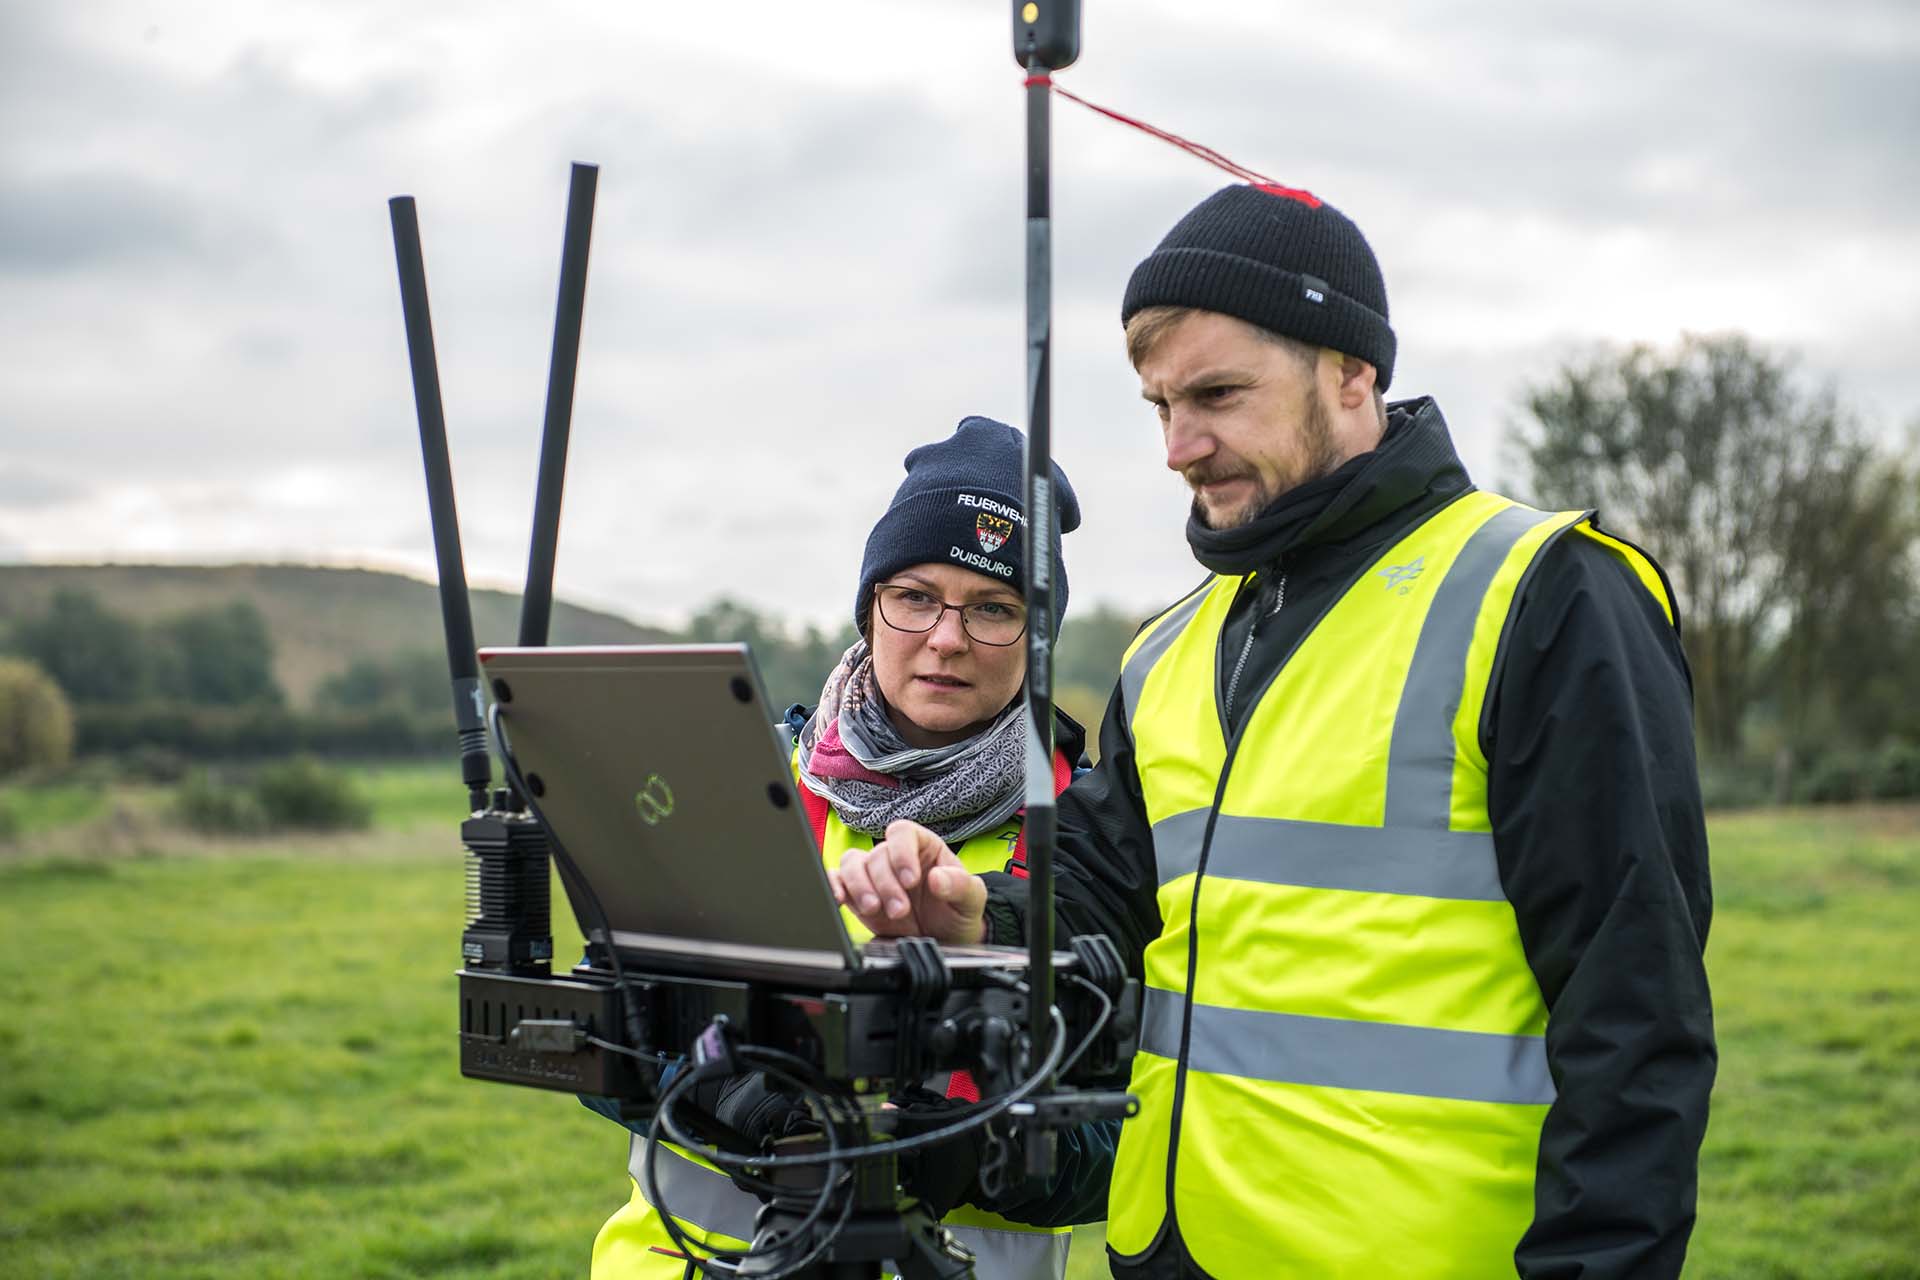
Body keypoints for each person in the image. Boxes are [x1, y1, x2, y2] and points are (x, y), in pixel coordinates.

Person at [834, 185, 1717, 1278]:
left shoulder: (1541, 596)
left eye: (1216, 394)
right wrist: (976, 916)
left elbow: (1637, 1020)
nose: (1179, 445)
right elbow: (1102, 914)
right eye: (1160, 404)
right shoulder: (1168, 653)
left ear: (1353, 373)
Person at [587, 415, 1113, 1280]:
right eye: (914, 596)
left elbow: (1130, 1130)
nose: (946, 638)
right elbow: (599, 1030)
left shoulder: (1093, 835)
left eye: (994, 608)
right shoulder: (742, 779)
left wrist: (973, 1151)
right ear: (870, 607)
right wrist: (724, 1091)